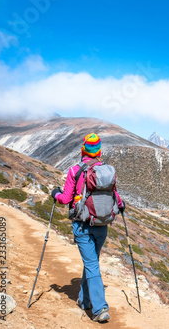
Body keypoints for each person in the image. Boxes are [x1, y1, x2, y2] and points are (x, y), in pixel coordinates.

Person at [51, 133, 125, 323]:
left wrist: (55, 194)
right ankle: (84, 301)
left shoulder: (75, 170)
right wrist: (121, 205)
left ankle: (100, 309)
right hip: (102, 224)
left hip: (82, 225)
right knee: (92, 262)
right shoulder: (106, 171)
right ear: (99, 151)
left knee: (91, 264)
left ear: (83, 150)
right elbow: (115, 196)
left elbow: (66, 199)